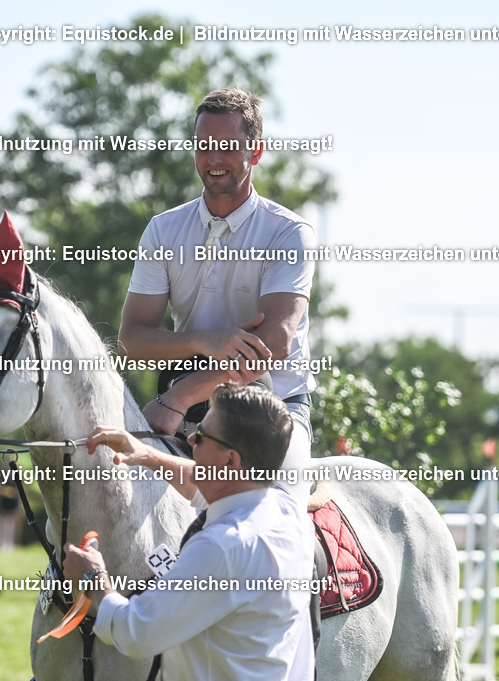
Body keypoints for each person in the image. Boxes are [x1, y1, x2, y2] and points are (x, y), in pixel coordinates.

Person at [118, 87, 317, 506]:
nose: (213, 159)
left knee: (279, 513)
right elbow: (133, 338)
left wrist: (178, 396)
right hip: (185, 411)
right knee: (104, 487)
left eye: (227, 147)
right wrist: (203, 342)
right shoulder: (163, 229)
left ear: (256, 152)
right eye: (204, 146)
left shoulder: (289, 233)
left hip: (272, 411)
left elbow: (273, 346)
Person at [62, 384, 314, 681]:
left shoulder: (222, 547)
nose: (191, 437)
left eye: (203, 435)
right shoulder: (285, 509)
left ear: (231, 461)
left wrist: (93, 578)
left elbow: (136, 633)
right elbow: (205, 483)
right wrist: (146, 454)